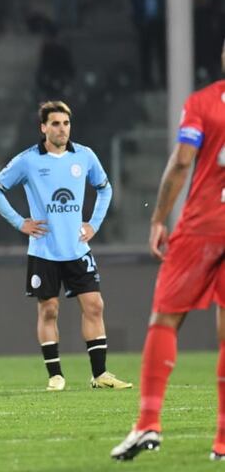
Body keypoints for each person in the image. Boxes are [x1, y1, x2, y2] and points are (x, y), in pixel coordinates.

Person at [111, 41, 225, 461]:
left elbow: (181, 162)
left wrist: (158, 217)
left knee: (165, 318)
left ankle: (148, 424)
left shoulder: (203, 103)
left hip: (203, 226)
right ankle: (223, 442)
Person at [0, 100, 131, 392]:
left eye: (65, 123)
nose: (61, 129)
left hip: (77, 248)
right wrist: (19, 222)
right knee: (49, 310)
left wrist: (94, 224)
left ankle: (100, 375)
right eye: (55, 123)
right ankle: (55, 375)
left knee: (94, 305)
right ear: (43, 127)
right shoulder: (28, 160)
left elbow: (104, 188)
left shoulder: (85, 156)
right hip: (44, 251)